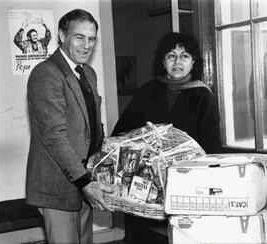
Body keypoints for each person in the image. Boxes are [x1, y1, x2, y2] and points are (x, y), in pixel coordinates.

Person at [112, 32, 221, 244]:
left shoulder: (203, 96)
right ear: (163, 61)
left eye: (184, 56)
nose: (177, 61)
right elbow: (121, 135)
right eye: (171, 55)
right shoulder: (146, 92)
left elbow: (211, 147)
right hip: (144, 187)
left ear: (193, 61)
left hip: (185, 183)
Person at [26, 9, 114, 244]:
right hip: (58, 186)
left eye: (92, 38)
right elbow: (55, 136)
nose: (87, 45)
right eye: (79, 37)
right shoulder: (46, 73)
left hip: (85, 182)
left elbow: (93, 124)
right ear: (62, 36)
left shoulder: (88, 73)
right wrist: (85, 182)